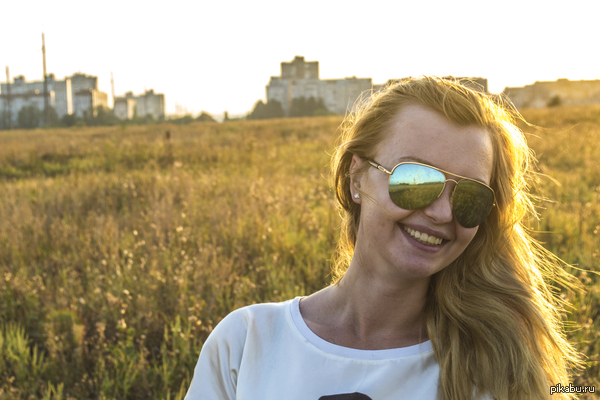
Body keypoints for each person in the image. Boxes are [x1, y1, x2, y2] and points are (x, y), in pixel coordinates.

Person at [184, 77, 582, 400]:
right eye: (416, 180)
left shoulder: (497, 366)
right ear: (357, 177)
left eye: (470, 197)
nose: (442, 213)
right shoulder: (245, 341)